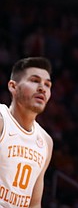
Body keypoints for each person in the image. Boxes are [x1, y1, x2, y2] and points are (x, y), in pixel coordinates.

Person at [0, 57, 54, 208]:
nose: (42, 88)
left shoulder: (45, 142)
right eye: (34, 80)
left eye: (47, 84)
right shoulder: (2, 121)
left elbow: (34, 203)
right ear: (13, 87)